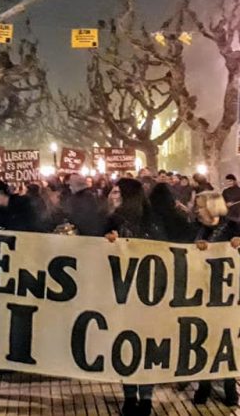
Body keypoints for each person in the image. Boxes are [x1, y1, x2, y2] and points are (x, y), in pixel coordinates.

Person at [104, 178, 165, 416]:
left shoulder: (141, 218)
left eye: (118, 191)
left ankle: (139, 398)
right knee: (135, 345)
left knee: (136, 346)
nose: (114, 194)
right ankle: (137, 398)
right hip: (136, 292)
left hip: (137, 292)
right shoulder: (117, 219)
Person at [191, 190, 240, 407]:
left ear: (211, 207)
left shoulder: (234, 227)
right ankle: (204, 385)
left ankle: (230, 385)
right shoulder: (197, 228)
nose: (196, 210)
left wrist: (239, 244)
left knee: (227, 340)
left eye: (200, 205)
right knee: (204, 339)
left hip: (228, 294)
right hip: (202, 293)